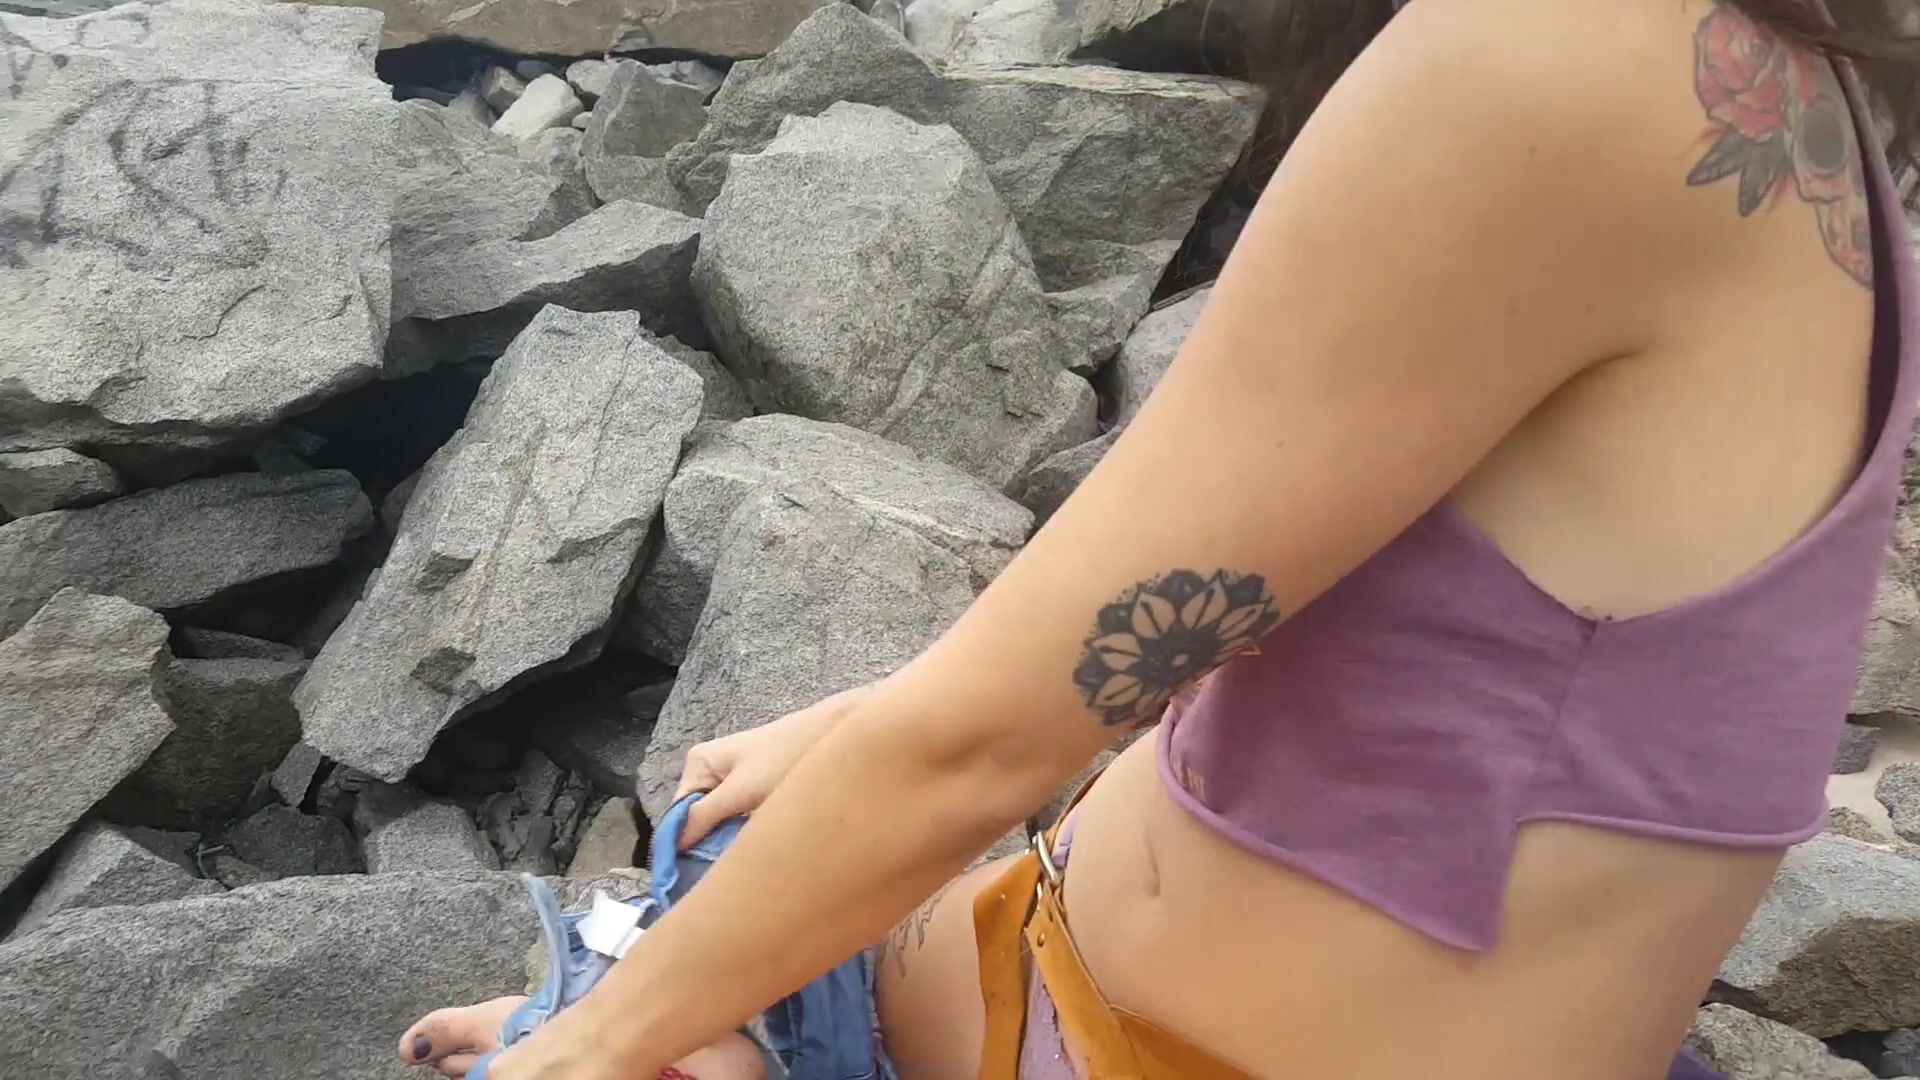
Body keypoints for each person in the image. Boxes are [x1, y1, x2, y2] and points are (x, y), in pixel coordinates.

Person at [404, 0, 1920, 1076]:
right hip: (1067, 961)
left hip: (1102, 1032)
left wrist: (587, 1047)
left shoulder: (1556, 53)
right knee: (753, 830)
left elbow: (975, 754)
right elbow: (1382, 626)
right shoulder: (1789, 81)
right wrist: (882, 715)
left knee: (685, 917)